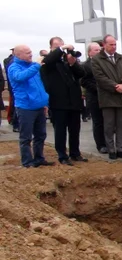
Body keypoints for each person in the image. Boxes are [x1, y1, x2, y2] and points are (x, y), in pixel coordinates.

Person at [41, 37, 87, 165]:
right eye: (58, 46)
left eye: (62, 45)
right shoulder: (49, 62)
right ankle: (62, 155)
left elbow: (81, 73)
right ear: (51, 48)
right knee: (60, 131)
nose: (62, 49)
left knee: (74, 130)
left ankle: (75, 153)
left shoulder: (67, 61)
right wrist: (61, 49)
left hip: (74, 102)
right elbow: (48, 60)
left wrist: (73, 63)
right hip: (58, 102)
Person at [6, 45, 53, 168]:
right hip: (25, 107)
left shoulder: (32, 67)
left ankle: (39, 158)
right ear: (18, 55)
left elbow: (39, 87)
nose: (31, 54)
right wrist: (36, 66)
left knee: (40, 135)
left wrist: (44, 103)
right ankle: (27, 162)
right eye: (27, 53)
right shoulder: (14, 68)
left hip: (39, 106)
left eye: (31, 52)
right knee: (26, 137)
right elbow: (20, 77)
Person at [91, 34, 122, 160]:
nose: (114, 47)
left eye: (115, 44)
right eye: (111, 44)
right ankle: (111, 149)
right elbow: (100, 77)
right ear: (104, 45)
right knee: (109, 125)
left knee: (121, 124)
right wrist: (115, 86)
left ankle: (121, 149)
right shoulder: (97, 60)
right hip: (108, 97)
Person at [80, 42, 108, 153]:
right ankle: (100, 145)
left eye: (99, 49)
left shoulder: (104, 63)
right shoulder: (86, 65)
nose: (98, 51)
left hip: (106, 97)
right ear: (89, 52)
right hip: (94, 97)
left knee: (108, 121)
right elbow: (84, 81)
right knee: (98, 122)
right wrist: (99, 89)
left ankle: (108, 142)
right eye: (96, 50)